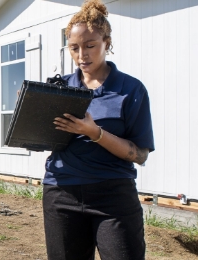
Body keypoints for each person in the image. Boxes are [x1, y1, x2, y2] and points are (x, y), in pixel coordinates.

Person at [42, 0, 155, 259]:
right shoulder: (59, 88)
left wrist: (96, 133)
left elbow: (140, 155)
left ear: (107, 42)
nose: (82, 55)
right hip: (61, 194)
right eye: (74, 48)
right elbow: (40, 141)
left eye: (90, 45)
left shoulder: (131, 89)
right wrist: (33, 113)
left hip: (113, 196)